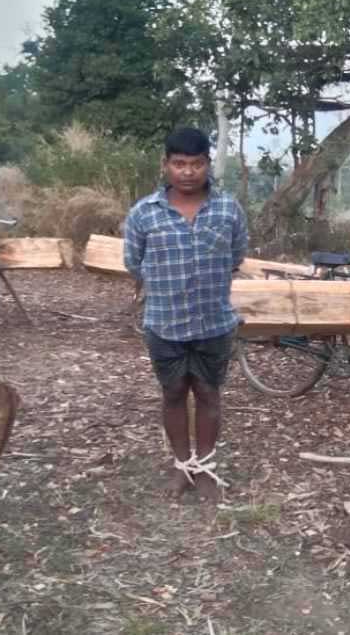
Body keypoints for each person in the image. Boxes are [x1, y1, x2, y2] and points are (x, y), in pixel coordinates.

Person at [123, 127, 248, 503]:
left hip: (214, 323)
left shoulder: (228, 209)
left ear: (208, 164)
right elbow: (133, 262)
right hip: (165, 324)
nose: (188, 172)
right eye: (179, 164)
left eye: (196, 164)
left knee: (209, 393)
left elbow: (237, 256)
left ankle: (204, 467)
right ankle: (182, 466)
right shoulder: (144, 213)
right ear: (166, 165)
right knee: (174, 392)